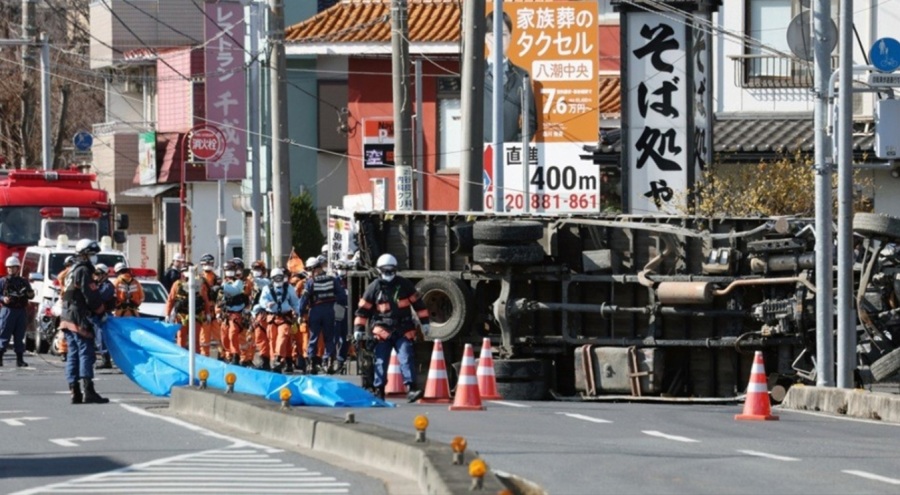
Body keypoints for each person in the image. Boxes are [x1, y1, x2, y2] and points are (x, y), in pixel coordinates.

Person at [353, 253, 429, 402]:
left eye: (391, 270)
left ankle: (411, 389)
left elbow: (419, 304)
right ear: (379, 270)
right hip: (382, 330)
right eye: (385, 270)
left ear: (395, 270)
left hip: (403, 329)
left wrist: (425, 322)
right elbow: (363, 311)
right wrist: (358, 329)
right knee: (381, 360)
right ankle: (379, 390)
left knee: (406, 357)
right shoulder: (374, 287)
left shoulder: (405, 284)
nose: (388, 274)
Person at [58, 238, 108, 404]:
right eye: (92, 254)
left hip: (66, 315)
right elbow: (91, 295)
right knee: (85, 352)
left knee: (73, 354)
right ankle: (88, 390)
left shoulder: (72, 270)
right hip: (78, 316)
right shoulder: (84, 271)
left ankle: (74, 390)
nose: (95, 258)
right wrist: (101, 311)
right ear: (85, 255)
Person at [483, 10, 537, 143]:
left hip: (511, 153)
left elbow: (530, 120)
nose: (498, 40)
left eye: (503, 34)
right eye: (493, 34)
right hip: (480, 152)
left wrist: (517, 145)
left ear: (511, 37)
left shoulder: (521, 75)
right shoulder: (475, 74)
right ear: (485, 38)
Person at [299, 256, 347, 375]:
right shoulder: (332, 279)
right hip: (330, 311)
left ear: (314, 269)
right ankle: (328, 361)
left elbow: (304, 299)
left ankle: (311, 363)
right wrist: (335, 302)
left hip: (315, 311)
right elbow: (342, 296)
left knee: (313, 337)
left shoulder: (310, 282)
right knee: (329, 338)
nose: (309, 273)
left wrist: (300, 313)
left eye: (310, 270)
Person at [260, 267, 301, 373]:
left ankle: (279, 358)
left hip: (285, 317)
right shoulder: (267, 289)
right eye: (276, 278)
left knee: (282, 337)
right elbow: (262, 300)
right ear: (272, 279)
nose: (278, 280)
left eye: (280, 278)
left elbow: (295, 302)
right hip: (272, 317)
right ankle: (274, 360)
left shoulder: (289, 288)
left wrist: (297, 313)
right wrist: (267, 304)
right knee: (272, 339)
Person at [164, 264, 212, 351]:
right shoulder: (177, 284)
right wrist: (167, 314)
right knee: (181, 338)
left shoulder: (199, 284)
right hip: (181, 315)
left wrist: (208, 313)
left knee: (195, 340)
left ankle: (196, 359)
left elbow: (205, 300)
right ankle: (182, 359)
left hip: (196, 315)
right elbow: (171, 299)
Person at [0, 255, 35, 367]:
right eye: (9, 267)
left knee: (19, 336)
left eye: (13, 267)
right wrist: (3, 298)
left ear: (18, 268)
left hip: (21, 311)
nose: (11, 269)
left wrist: (29, 293)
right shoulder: (2, 281)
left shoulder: (24, 282)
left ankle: (20, 359)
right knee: (4, 334)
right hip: (8, 310)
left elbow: (31, 295)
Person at [220, 261, 250, 366]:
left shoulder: (239, 282)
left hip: (236, 314)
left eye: (231, 270)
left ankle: (236, 355)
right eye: (227, 271)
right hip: (225, 314)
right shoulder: (224, 282)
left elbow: (234, 291)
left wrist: (222, 287)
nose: (229, 273)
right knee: (224, 336)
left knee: (233, 334)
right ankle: (229, 354)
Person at [247, 260, 271, 369]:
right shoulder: (249, 283)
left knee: (262, 338)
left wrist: (253, 279)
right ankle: (250, 359)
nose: (256, 271)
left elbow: (262, 283)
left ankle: (265, 361)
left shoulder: (266, 282)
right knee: (253, 338)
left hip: (262, 313)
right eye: (254, 269)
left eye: (258, 269)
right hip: (253, 313)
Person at [93, 263, 116, 370]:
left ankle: (106, 360)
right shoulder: (98, 285)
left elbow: (100, 298)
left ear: (104, 275)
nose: (95, 276)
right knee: (95, 337)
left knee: (101, 337)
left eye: (98, 274)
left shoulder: (108, 286)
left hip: (104, 314)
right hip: (95, 314)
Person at [198, 253, 221, 358]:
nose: (208, 264)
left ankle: (222, 356)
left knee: (219, 336)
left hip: (215, 310)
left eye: (210, 262)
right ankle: (204, 357)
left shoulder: (217, 278)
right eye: (206, 263)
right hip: (203, 311)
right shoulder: (198, 279)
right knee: (204, 338)